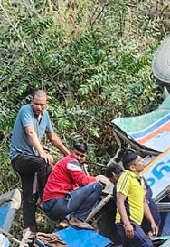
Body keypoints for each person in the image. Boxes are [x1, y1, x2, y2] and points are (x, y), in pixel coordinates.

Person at [9, 90, 69, 232]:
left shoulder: (45, 116)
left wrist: (68, 154)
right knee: (45, 163)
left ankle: (30, 230)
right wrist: (42, 153)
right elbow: (30, 132)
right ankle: (45, 197)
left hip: (32, 159)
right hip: (20, 158)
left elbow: (52, 137)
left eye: (42, 105)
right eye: (36, 104)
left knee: (29, 195)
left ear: (46, 104)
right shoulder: (26, 110)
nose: (38, 107)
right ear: (32, 102)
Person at [115, 152, 158, 247]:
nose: (142, 161)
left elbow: (144, 203)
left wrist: (151, 221)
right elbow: (120, 201)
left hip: (135, 223)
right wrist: (127, 223)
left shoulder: (140, 179)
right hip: (128, 223)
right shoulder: (126, 176)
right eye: (139, 160)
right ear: (132, 166)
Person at [41, 141, 106, 227]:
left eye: (82, 156)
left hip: (50, 205)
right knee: (97, 186)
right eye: (77, 154)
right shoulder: (72, 162)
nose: (79, 158)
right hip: (56, 203)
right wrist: (96, 179)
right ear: (71, 151)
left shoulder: (65, 161)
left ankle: (66, 219)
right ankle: (77, 219)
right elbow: (82, 180)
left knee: (78, 191)